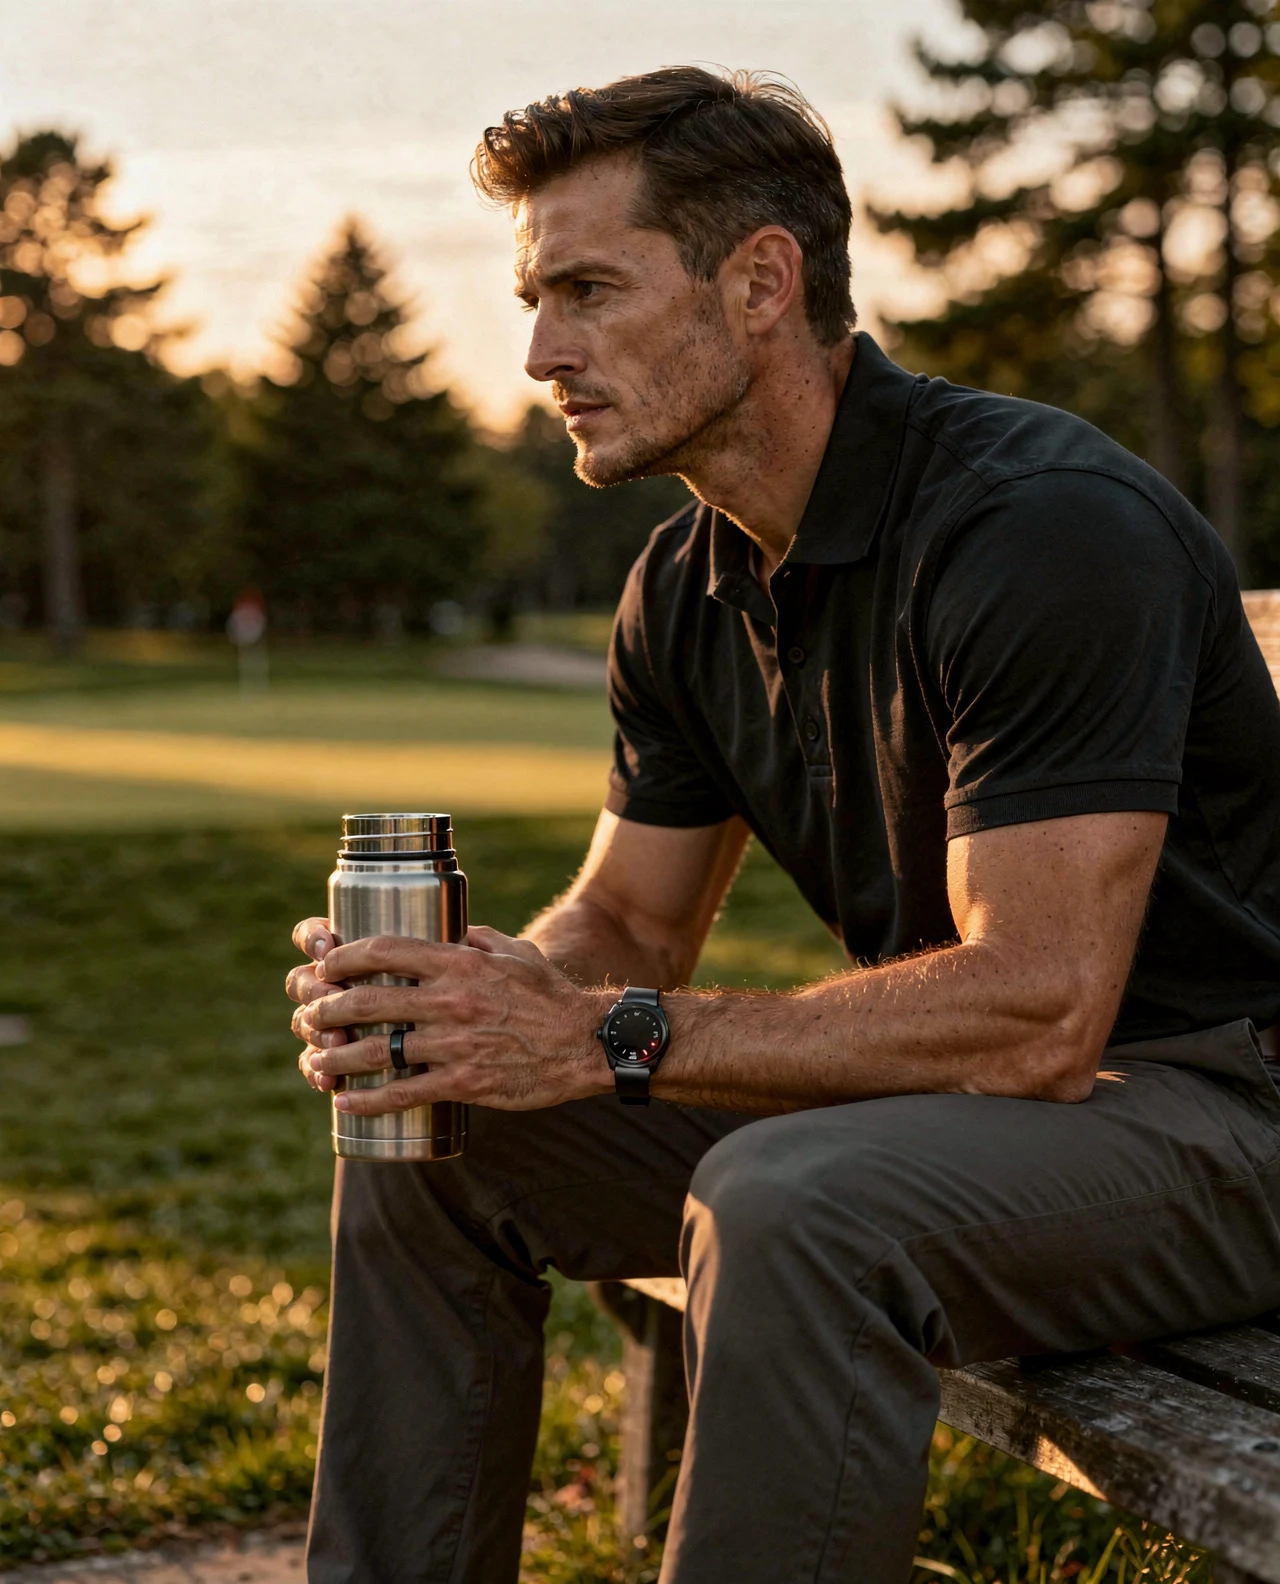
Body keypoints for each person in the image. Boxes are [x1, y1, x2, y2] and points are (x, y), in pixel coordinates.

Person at [286, 67, 1280, 1584]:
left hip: (1224, 1111)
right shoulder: (685, 585)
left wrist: (611, 1037)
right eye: (534, 299)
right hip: (986, 1119)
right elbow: (623, 925)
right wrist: (485, 1006)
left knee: (796, 1204)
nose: (542, 352)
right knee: (435, 1131)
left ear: (761, 281)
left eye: (589, 290)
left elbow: (1038, 1011)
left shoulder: (1040, 526)